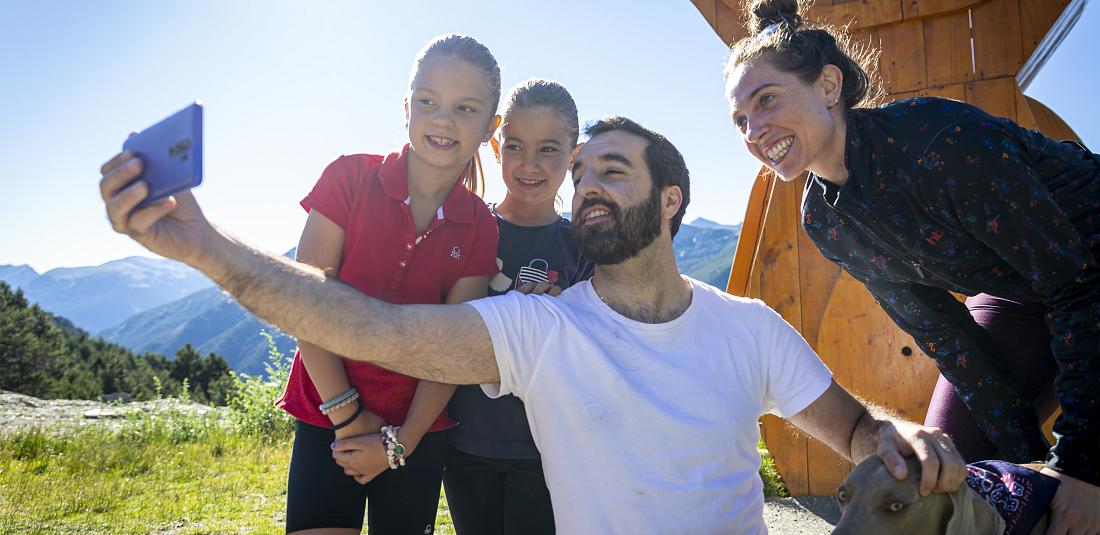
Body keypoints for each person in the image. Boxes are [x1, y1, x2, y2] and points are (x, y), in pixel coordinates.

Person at [99, 115, 967, 534]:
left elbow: (851, 424)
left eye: (611, 170)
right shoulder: (540, 331)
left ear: (670, 202)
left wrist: (898, 438)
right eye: (579, 168)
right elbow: (370, 324)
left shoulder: (749, 328)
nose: (584, 181)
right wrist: (211, 250)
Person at [722, 0, 1100, 532]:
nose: (753, 131)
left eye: (766, 101)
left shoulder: (938, 144)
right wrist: (1036, 475)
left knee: (1085, 479)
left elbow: (1078, 291)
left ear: (829, 86)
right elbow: (947, 336)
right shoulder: (825, 222)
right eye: (740, 120)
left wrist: (1082, 467)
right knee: (943, 473)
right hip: (1025, 295)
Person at [272, 34, 501, 534]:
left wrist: (401, 441)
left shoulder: (481, 225)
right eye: (427, 102)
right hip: (325, 415)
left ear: (490, 127)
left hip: (417, 432)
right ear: (406, 106)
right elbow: (305, 303)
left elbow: (453, 347)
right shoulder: (348, 179)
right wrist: (349, 418)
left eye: (465, 108)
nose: (442, 119)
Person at [443, 79, 592, 535]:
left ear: (573, 156)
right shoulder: (467, 229)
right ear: (495, 146)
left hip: (548, 449)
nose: (529, 165)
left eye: (548, 149)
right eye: (515, 146)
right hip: (465, 443)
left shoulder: (582, 246)